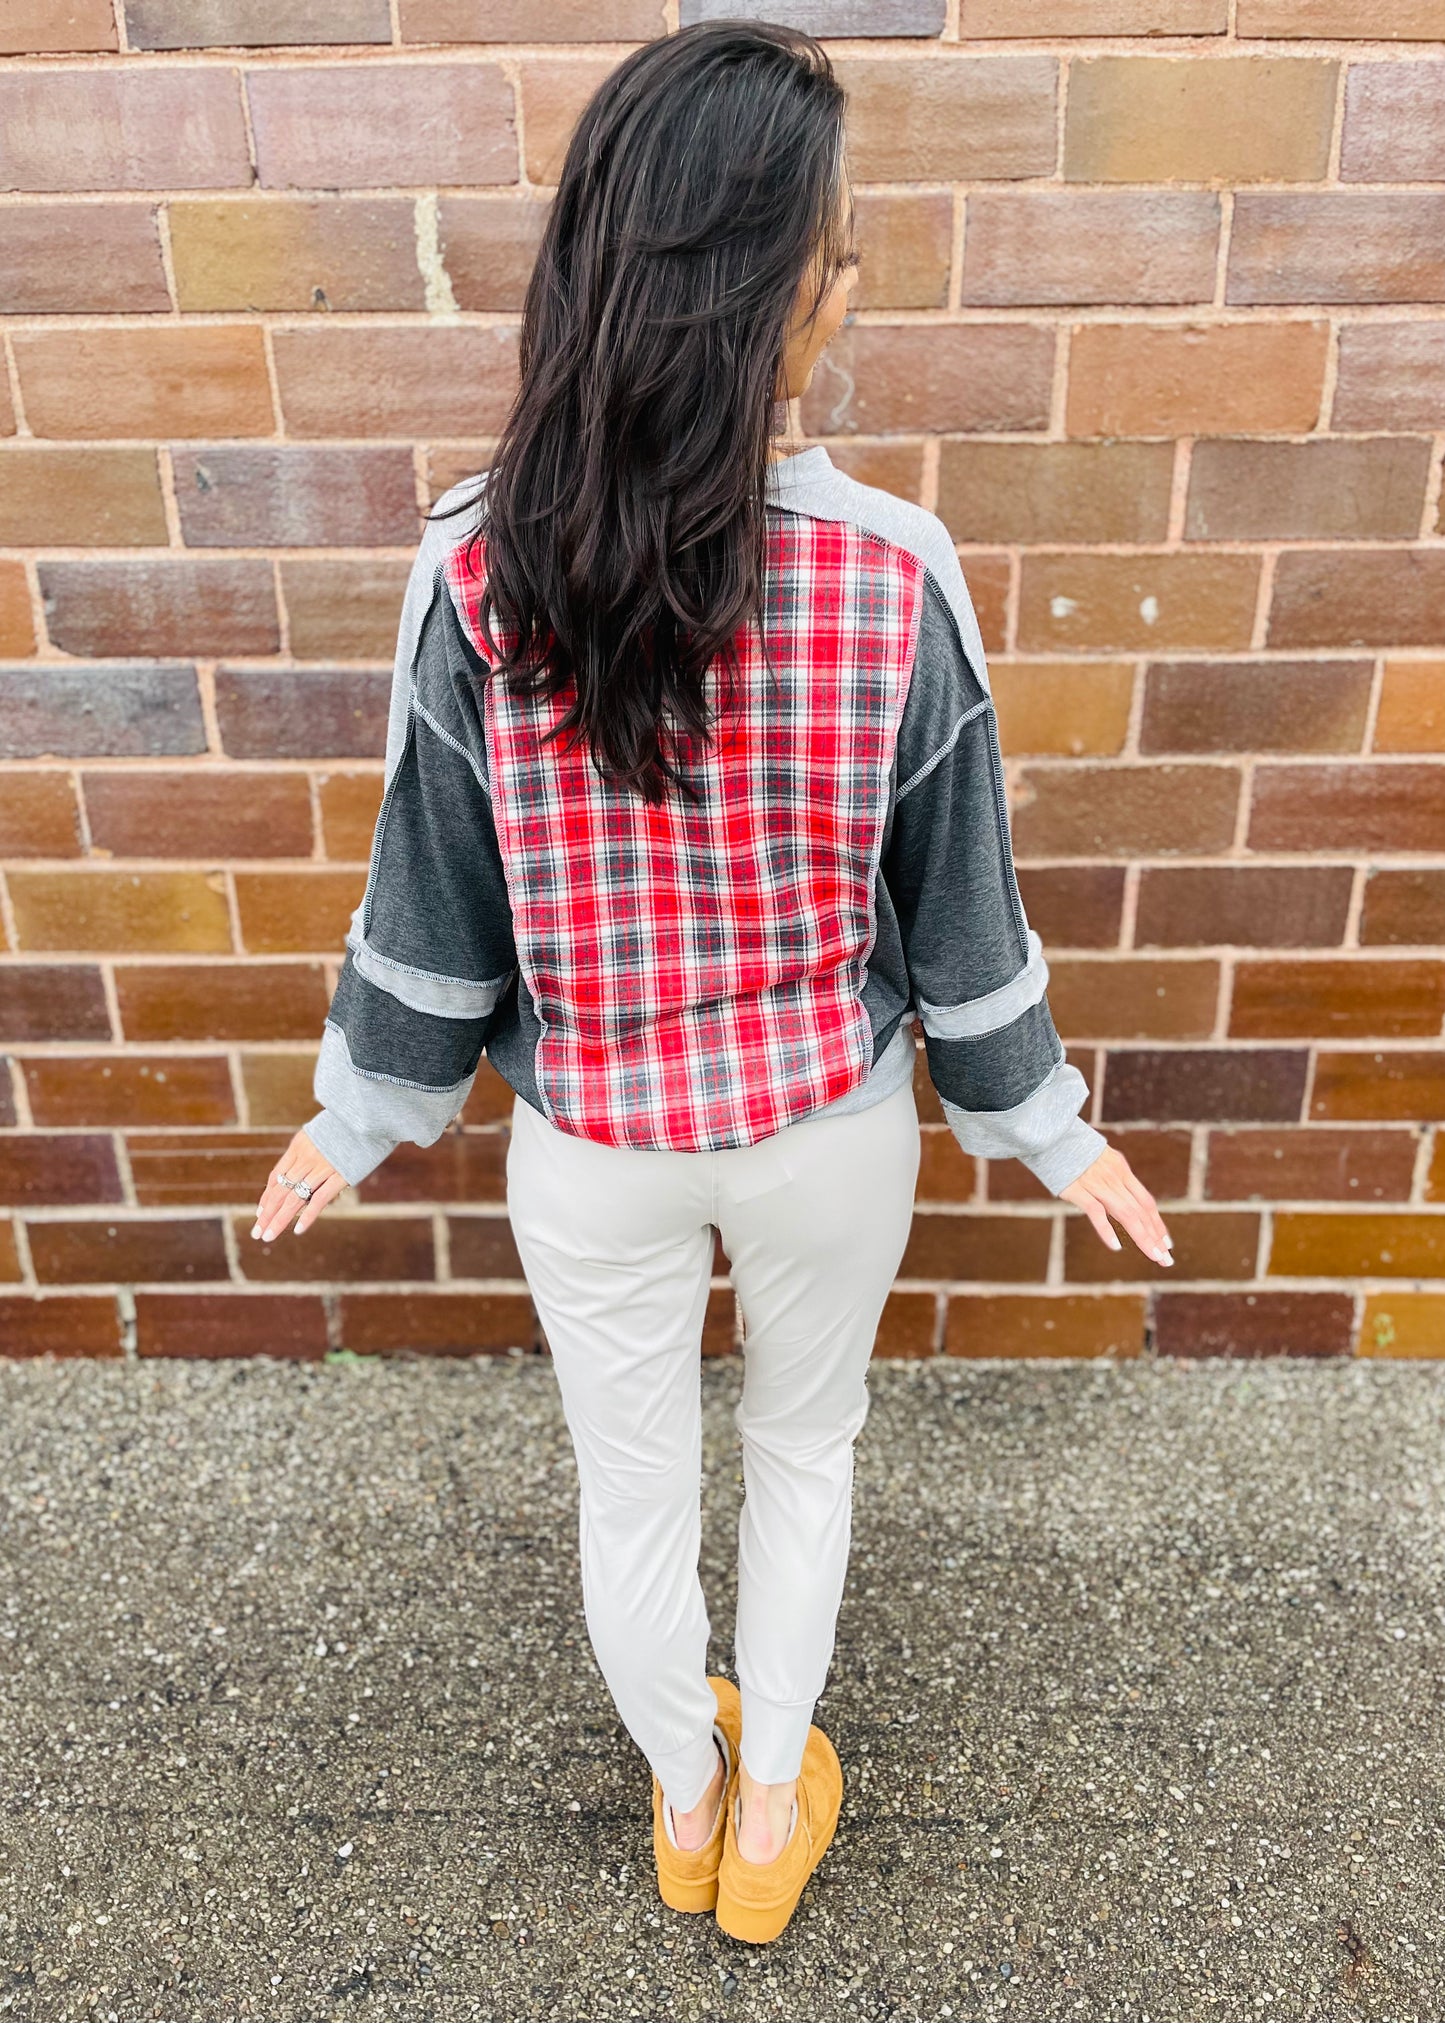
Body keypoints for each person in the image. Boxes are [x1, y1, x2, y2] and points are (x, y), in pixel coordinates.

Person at [248, 18, 1173, 1947]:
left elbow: (432, 890)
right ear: (776, 299)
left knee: (630, 1481)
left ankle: (685, 1791)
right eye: (840, 260)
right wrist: (1041, 1129)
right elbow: (960, 901)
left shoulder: (471, 567)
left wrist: (362, 1114)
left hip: (590, 1137)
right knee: (804, 1445)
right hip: (827, 1126)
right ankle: (768, 1816)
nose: (855, 291)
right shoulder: (895, 571)